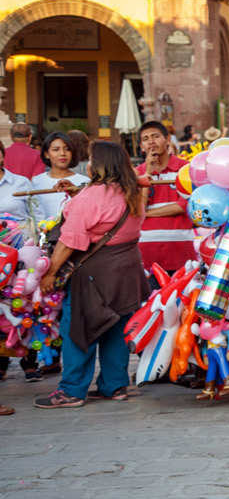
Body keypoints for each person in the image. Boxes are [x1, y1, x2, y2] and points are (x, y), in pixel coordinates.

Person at [34, 141, 149, 409]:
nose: (87, 164)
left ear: (100, 164)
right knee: (116, 327)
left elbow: (69, 241)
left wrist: (50, 273)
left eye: (91, 159)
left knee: (78, 328)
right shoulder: (133, 191)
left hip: (95, 273)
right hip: (127, 268)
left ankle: (71, 391)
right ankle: (114, 385)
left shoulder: (92, 195)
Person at [135, 121, 194, 278]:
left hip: (180, 248)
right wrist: (147, 172)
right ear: (141, 146)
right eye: (146, 139)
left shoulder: (185, 168)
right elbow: (139, 207)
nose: (151, 142)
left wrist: (146, 213)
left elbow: (183, 206)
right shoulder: (136, 173)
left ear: (168, 140)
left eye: (156, 136)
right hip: (146, 251)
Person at [27, 132, 89, 224]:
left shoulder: (85, 182)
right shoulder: (37, 181)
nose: (62, 154)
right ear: (46, 154)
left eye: (67, 149)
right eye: (56, 150)